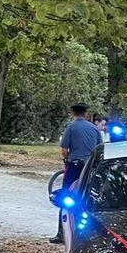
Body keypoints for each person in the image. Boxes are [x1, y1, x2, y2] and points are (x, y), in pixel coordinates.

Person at [49, 104, 102, 244]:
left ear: (73, 112)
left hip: (75, 166)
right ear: (86, 113)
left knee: (66, 196)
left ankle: (61, 233)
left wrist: (67, 159)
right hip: (91, 167)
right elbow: (100, 148)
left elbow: (64, 150)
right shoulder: (95, 129)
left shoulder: (71, 128)